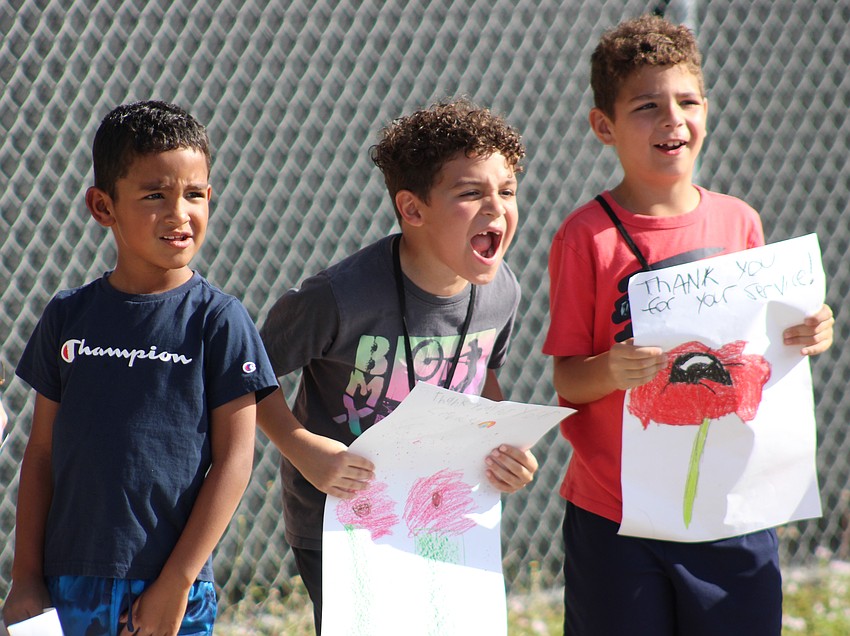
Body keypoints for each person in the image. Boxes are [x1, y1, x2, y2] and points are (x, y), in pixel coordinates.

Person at [543, 15, 835, 636]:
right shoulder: (583, 237)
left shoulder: (739, 222)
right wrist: (612, 370)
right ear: (604, 126)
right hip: (618, 517)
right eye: (646, 105)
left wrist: (811, 333)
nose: (672, 119)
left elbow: (770, 351)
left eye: (687, 101)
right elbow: (568, 380)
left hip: (732, 510)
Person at [257, 98, 539, 634]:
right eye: (470, 193)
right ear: (411, 209)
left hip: (440, 513)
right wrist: (303, 449)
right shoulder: (339, 296)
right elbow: (245, 378)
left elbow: (486, 379)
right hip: (341, 523)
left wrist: (504, 447)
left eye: (506, 191)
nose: (497, 210)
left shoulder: (501, 290)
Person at [2, 100, 278, 636]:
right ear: (103, 207)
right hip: (65, 585)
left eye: (195, 194)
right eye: (155, 195)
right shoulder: (68, 315)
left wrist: (176, 583)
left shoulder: (220, 320)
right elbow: (40, 455)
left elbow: (235, 463)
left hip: (170, 588)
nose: (180, 213)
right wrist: (25, 578)